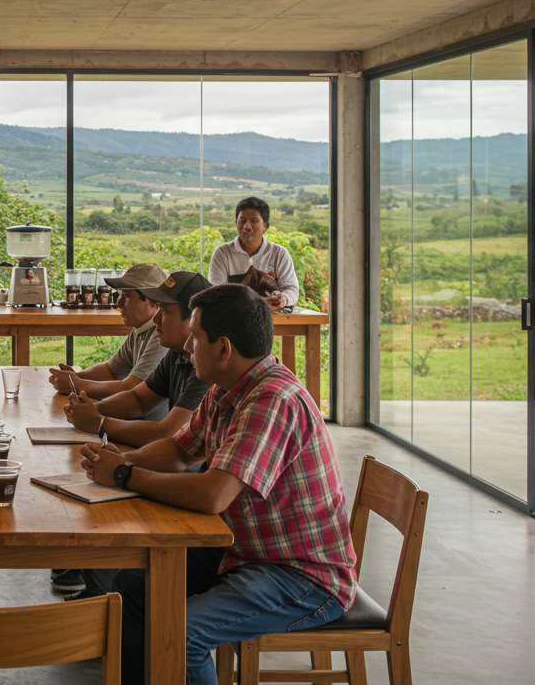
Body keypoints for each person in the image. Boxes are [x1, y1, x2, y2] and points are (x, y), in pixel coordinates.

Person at [80, 283, 356, 685]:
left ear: (223, 348)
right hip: (245, 552)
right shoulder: (226, 389)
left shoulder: (272, 400)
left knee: (183, 633)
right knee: (132, 586)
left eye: (194, 337)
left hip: (300, 575)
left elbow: (212, 496)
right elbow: (178, 451)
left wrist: (124, 475)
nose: (186, 346)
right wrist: (116, 462)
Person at [53, 270, 213, 597]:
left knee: (109, 492)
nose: (157, 319)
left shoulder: (209, 367)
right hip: (173, 462)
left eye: (164, 311)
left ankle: (99, 597)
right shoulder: (180, 353)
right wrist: (92, 412)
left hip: (191, 482)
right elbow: (139, 398)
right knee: (97, 474)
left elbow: (170, 435)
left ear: (194, 320)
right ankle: (94, 581)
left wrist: (100, 425)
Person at [47, 263, 170, 418]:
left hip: (147, 428)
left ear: (155, 302)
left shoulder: (162, 335)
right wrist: (77, 376)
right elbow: (111, 370)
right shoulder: (141, 329)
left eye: (127, 296)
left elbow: (132, 388)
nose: (119, 303)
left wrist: (76, 384)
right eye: (120, 295)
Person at [208, 196, 299, 311]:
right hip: (232, 319)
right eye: (242, 221)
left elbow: (292, 289)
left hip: (272, 319)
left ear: (265, 226)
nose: (247, 227)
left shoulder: (279, 253)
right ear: (236, 223)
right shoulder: (222, 253)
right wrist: (259, 303)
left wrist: (283, 299)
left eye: (254, 221)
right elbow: (216, 294)